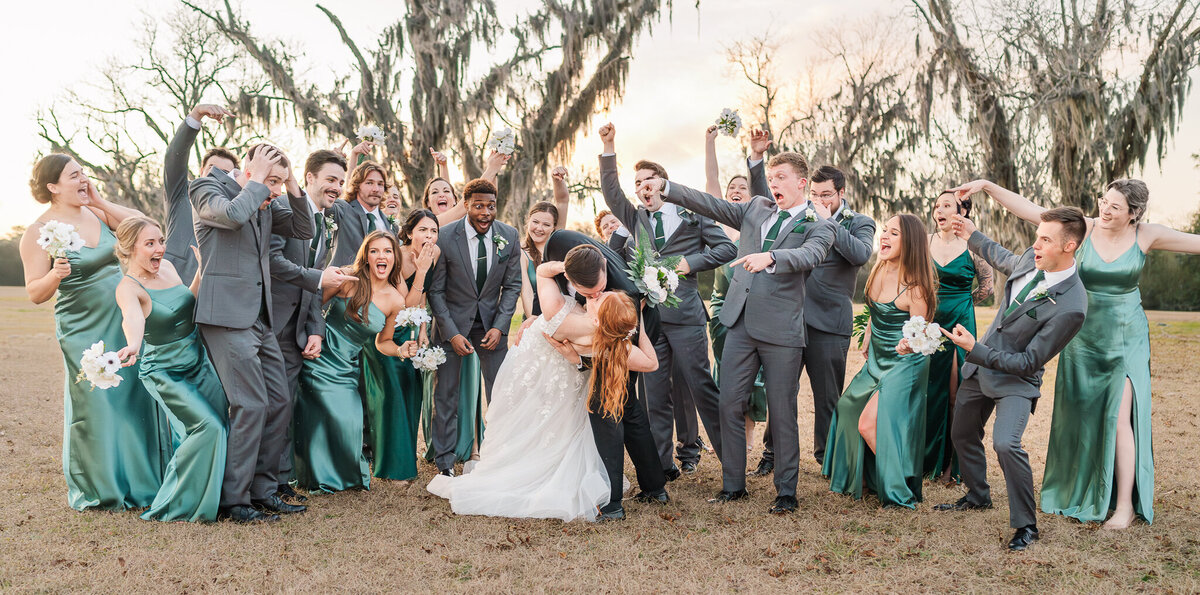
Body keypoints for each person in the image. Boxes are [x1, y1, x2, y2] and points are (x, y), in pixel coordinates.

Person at [954, 178, 1200, 530]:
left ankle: (1125, 507)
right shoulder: (1084, 227)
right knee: (1079, 413)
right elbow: (1030, 211)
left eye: (1116, 207)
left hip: (1125, 336)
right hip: (1079, 336)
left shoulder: (1147, 235)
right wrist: (987, 187)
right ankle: (1075, 489)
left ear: (1135, 214)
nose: (1105, 209)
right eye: (1104, 200)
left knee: (1119, 417)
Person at [639, 140, 835, 515]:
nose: (773, 183)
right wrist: (668, 188)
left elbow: (811, 255)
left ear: (802, 183)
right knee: (728, 403)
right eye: (771, 176)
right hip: (738, 323)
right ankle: (733, 485)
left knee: (782, 410)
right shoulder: (757, 208)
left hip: (781, 331)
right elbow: (712, 205)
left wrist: (772, 256)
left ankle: (786, 492)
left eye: (781, 177)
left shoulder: (818, 223)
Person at [427, 265, 657, 522]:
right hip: (565, 384)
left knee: (541, 429)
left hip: (546, 380)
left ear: (596, 321)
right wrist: (641, 329)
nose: (596, 295)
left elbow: (546, 280)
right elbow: (651, 363)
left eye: (599, 300)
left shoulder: (575, 328)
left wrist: (564, 276)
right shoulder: (615, 343)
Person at [20, 154, 169, 511]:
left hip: (124, 315)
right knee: (98, 401)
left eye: (83, 173)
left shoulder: (95, 213)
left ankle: (146, 482)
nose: (83, 179)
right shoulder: (37, 232)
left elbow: (140, 226)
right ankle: (103, 489)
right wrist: (56, 274)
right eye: (75, 175)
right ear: (53, 187)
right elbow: (34, 293)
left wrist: (99, 200)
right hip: (82, 326)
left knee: (135, 394)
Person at [934, 207, 1088, 552]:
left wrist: (975, 349)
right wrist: (970, 233)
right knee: (962, 432)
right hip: (981, 366)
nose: (1036, 245)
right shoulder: (1032, 259)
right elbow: (999, 255)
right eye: (1037, 237)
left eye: (1045, 240)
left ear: (1070, 246)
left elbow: (1030, 360)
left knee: (1006, 444)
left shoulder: (1072, 305)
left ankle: (1026, 526)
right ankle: (977, 496)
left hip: (1016, 379)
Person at [598, 122, 736, 479]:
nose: (643, 187)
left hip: (688, 316)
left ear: (661, 183)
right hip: (650, 321)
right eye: (638, 184)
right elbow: (612, 193)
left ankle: (731, 465)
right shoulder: (636, 219)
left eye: (648, 181)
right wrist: (609, 145)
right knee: (654, 397)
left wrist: (690, 263)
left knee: (702, 388)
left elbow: (727, 247)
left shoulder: (693, 215)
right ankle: (661, 467)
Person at [189, 143, 313, 522]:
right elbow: (231, 217)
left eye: (279, 182)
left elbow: (304, 228)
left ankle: (263, 489)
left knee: (278, 401)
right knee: (251, 404)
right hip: (225, 315)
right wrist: (259, 180)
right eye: (270, 181)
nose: (273, 191)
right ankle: (233, 500)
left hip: (260, 319)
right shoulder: (206, 188)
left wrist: (290, 183)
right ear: (249, 168)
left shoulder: (266, 197)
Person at [519, 236, 668, 520]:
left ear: (603, 267)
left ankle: (613, 502)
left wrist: (579, 359)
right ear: (571, 281)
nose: (597, 297)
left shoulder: (623, 294)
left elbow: (625, 346)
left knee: (610, 411)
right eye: (588, 295)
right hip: (603, 339)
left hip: (628, 334)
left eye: (599, 291)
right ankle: (654, 487)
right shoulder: (563, 248)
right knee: (628, 408)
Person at [752, 161, 876, 473]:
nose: (820, 201)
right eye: (816, 194)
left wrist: (828, 223)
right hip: (789, 319)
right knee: (781, 392)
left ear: (842, 192)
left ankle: (828, 458)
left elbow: (860, 255)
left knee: (827, 397)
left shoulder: (860, 222)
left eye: (827, 195)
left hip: (830, 323)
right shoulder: (800, 216)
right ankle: (771, 456)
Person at [113, 217, 228, 522]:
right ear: (129, 249)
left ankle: (220, 497)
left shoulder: (167, 268)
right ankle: (174, 503)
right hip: (164, 371)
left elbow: (186, 300)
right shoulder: (128, 288)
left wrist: (202, 271)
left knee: (224, 422)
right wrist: (134, 344)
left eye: (160, 241)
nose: (160, 249)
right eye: (150, 243)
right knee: (207, 427)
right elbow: (132, 318)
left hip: (197, 360)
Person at [822, 214, 935, 510]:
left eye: (893, 233)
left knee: (869, 424)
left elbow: (921, 336)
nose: (883, 236)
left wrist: (908, 343)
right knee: (847, 408)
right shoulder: (878, 270)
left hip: (904, 363)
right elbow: (874, 310)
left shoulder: (916, 287)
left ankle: (898, 492)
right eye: (884, 230)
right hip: (877, 356)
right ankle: (860, 479)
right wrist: (869, 334)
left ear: (909, 242)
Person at [293, 232, 419, 492]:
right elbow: (314, 305)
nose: (381, 256)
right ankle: (315, 474)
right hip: (319, 357)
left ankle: (343, 476)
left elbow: (382, 342)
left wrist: (401, 350)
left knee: (350, 422)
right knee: (325, 415)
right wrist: (313, 336)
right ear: (367, 256)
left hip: (348, 366)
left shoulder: (396, 300)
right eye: (374, 251)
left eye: (387, 251)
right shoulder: (348, 279)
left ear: (395, 257)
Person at [267, 149, 355, 501]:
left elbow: (317, 287)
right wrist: (319, 277)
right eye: (330, 180)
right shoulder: (285, 211)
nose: (336, 187)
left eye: (340, 182)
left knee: (284, 405)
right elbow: (274, 262)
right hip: (268, 322)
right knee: (267, 405)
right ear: (309, 179)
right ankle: (258, 481)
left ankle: (278, 481)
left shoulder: (328, 222)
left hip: (297, 330)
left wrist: (315, 328)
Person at [427, 179, 522, 477]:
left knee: (501, 392)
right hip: (451, 324)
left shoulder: (509, 235)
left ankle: (500, 456)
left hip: (491, 325)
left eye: (490, 206)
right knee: (446, 395)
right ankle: (444, 463)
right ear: (465, 205)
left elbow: (513, 286)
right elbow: (435, 292)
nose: (485, 213)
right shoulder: (444, 237)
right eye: (478, 206)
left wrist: (500, 326)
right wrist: (451, 333)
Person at [360, 210, 438, 482]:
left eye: (433, 231)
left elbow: (423, 297)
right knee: (389, 398)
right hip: (387, 333)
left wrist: (424, 330)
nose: (428, 236)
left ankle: (404, 459)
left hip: (411, 332)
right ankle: (391, 464)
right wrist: (421, 272)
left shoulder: (432, 255)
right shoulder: (395, 255)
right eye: (423, 230)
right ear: (409, 232)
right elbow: (406, 301)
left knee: (409, 395)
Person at [704, 126, 766, 462]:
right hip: (721, 303)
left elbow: (763, 187)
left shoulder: (760, 222)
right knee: (725, 367)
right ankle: (725, 433)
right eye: (733, 188)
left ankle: (749, 434)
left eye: (743, 186)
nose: (737, 191)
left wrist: (757, 158)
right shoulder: (720, 221)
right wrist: (710, 143)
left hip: (754, 304)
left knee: (752, 370)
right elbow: (711, 182)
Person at [925, 192, 993, 482]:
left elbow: (988, 287)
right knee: (930, 391)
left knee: (956, 393)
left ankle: (955, 463)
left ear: (962, 212)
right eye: (937, 206)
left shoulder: (973, 245)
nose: (939, 210)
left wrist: (965, 302)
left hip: (960, 325)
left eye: (947, 205)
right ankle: (928, 459)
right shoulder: (925, 242)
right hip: (929, 322)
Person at [161, 103, 234, 284]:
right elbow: (173, 157)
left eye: (225, 173)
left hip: (214, 298)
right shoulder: (181, 194)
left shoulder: (235, 210)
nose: (216, 176)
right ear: (201, 170)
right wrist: (196, 115)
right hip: (174, 288)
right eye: (212, 169)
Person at [518, 167, 571, 318]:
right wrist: (532, 321)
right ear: (528, 221)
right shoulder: (521, 252)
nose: (539, 228)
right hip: (537, 316)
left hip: (566, 314)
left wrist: (557, 180)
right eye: (535, 222)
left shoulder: (557, 243)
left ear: (554, 227)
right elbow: (526, 291)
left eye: (546, 225)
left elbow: (562, 201)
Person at [329, 160, 398, 267]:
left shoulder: (391, 225)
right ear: (357, 185)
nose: (376, 189)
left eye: (380, 184)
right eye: (369, 183)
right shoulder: (343, 209)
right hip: (344, 281)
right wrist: (331, 163)